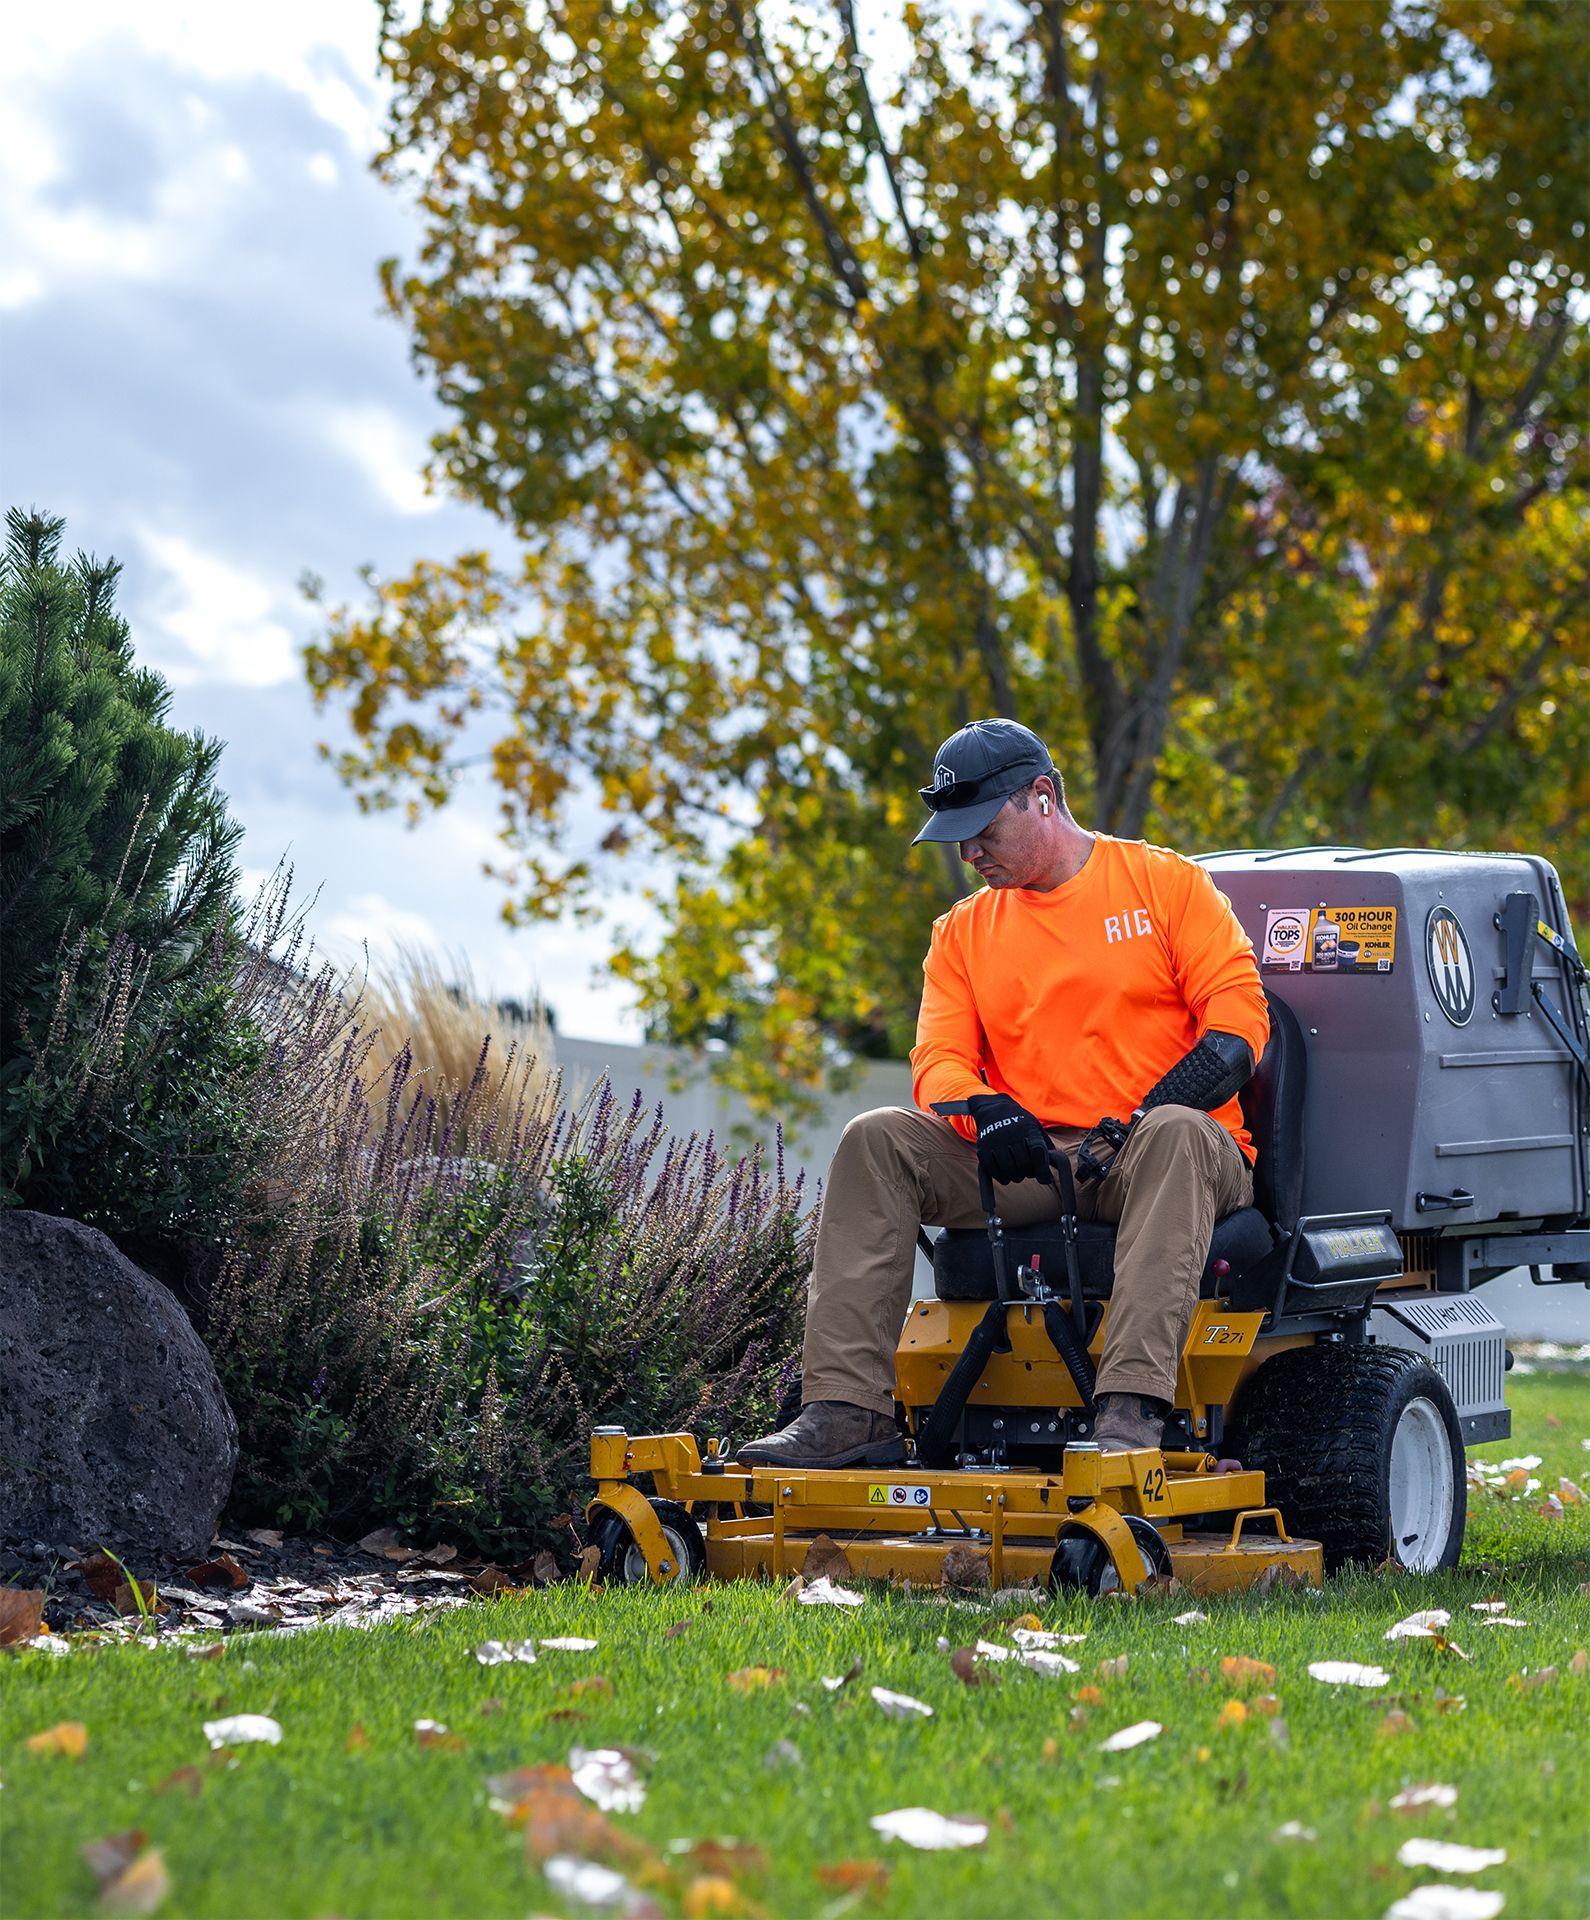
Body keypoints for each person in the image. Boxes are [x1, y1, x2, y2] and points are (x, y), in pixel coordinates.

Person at [740, 718, 1269, 1469]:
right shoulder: (961, 932)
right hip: (1038, 1162)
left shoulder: (1165, 885)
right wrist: (984, 1109)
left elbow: (1239, 1028)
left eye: (982, 829)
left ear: (1043, 797)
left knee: (1178, 1132)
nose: (968, 853)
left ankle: (1129, 1415)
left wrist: (1142, 1115)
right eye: (955, 838)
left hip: (1161, 1152)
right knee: (876, 1138)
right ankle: (847, 1411)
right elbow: (939, 1062)